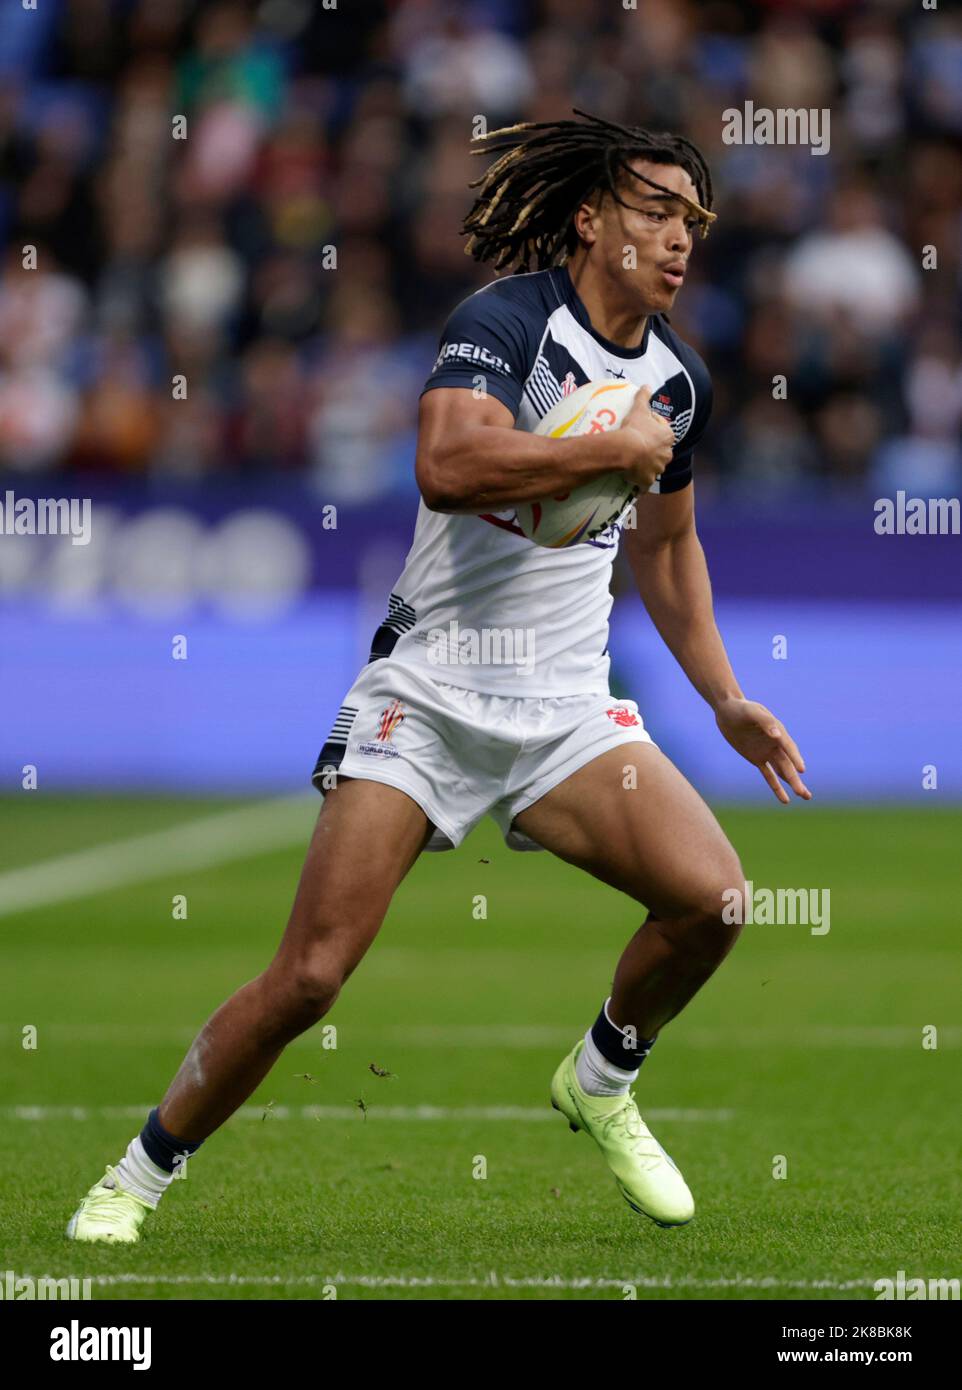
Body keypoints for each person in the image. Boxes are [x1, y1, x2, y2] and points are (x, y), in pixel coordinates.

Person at [67, 111, 810, 1244]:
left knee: (711, 899)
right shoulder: (506, 320)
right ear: (588, 215)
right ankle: (136, 1173)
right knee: (311, 978)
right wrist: (599, 451)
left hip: (564, 709)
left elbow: (664, 549)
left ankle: (600, 1078)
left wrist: (721, 698)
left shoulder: (678, 379)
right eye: (653, 209)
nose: (676, 238)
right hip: (431, 697)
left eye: (691, 220)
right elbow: (447, 463)